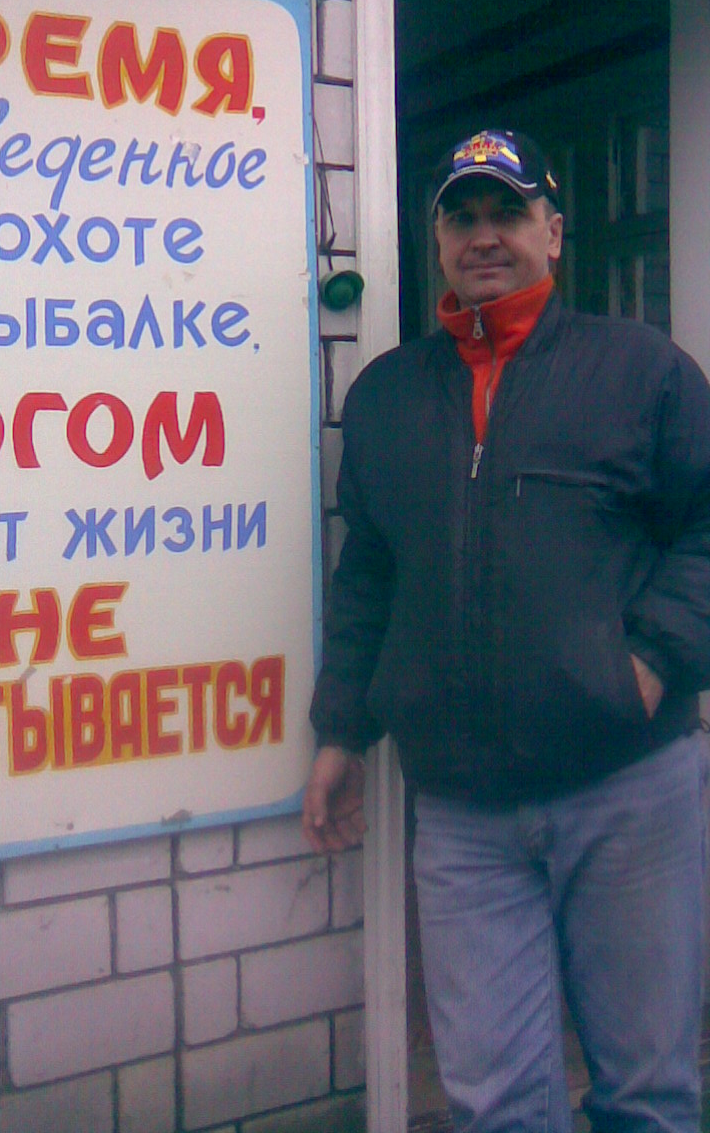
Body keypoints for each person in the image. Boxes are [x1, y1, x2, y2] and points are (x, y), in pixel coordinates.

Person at [303, 128, 710, 1133]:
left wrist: (652, 659)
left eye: (508, 213)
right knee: (494, 1102)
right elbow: (368, 574)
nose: (484, 236)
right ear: (438, 239)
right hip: (462, 815)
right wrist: (341, 729)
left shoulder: (643, 369)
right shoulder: (386, 395)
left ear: (553, 232)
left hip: (628, 788)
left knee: (648, 1092)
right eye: (462, 216)